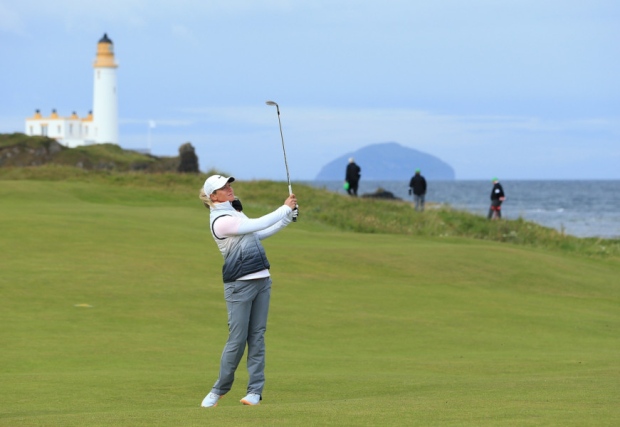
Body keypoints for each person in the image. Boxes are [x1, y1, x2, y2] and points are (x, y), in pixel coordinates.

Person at [198, 174, 298, 408]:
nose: (230, 189)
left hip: (262, 280)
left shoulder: (234, 212)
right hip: (239, 285)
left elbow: (256, 234)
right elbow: (257, 224)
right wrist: (284, 209)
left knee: (257, 337)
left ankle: (255, 391)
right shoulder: (220, 220)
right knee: (237, 339)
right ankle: (219, 389)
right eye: (224, 187)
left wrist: (285, 219)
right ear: (214, 196)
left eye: (229, 185)